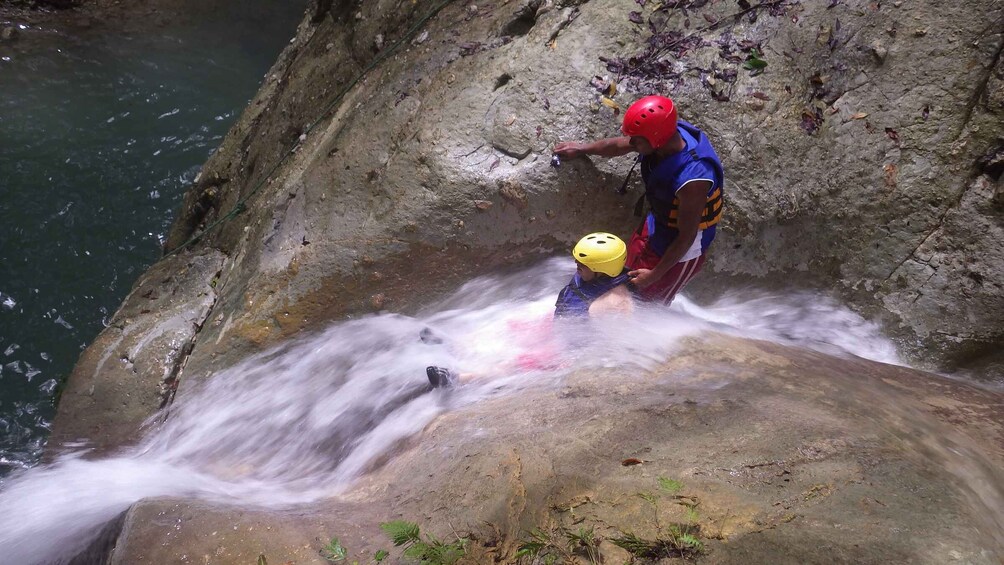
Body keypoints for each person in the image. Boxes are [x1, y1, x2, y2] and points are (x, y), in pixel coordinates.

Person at [553, 95, 724, 306]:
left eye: (637, 140)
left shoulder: (693, 179)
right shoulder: (662, 136)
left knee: (647, 304)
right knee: (622, 279)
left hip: (682, 251)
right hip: (656, 226)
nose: (632, 143)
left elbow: (686, 236)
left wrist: (654, 275)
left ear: (656, 139)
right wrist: (582, 148)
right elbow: (617, 145)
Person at [426, 232, 634, 388]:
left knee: (520, 361)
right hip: (562, 326)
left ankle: (459, 380)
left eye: (582, 265)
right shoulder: (594, 276)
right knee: (512, 327)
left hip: (570, 350)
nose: (576, 265)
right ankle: (456, 345)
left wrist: (577, 363)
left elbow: (613, 344)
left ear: (602, 270)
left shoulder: (615, 303)